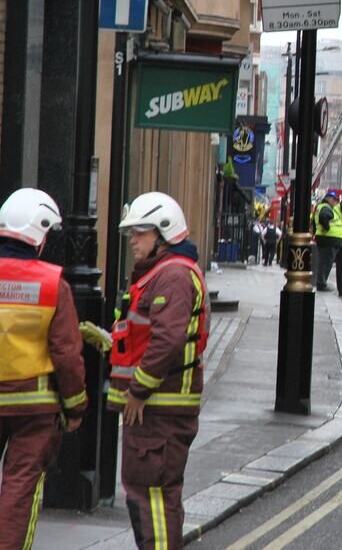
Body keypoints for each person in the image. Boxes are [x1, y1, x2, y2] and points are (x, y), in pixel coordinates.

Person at [106, 192, 210, 550]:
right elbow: (145, 336)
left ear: (164, 233)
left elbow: (167, 340)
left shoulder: (173, 276)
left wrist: (138, 390)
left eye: (141, 232)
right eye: (131, 233)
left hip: (159, 409)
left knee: (154, 500)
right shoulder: (159, 274)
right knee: (149, 496)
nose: (133, 240)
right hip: (156, 408)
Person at [0, 189, 87, 550]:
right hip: (33, 410)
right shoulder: (53, 284)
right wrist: (76, 407)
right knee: (19, 493)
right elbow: (66, 354)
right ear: (39, 232)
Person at [313, 190, 339, 292]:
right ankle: (322, 284)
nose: (335, 202)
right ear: (328, 198)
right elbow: (323, 217)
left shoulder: (322, 207)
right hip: (328, 238)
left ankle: (322, 282)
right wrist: (327, 228)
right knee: (326, 262)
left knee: (324, 262)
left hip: (325, 238)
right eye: (333, 199)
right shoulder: (325, 208)